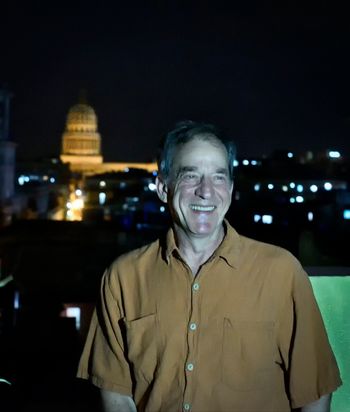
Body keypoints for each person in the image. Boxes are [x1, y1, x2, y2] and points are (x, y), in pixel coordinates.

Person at [77, 121, 342, 412]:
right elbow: (116, 396)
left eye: (218, 177)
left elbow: (315, 393)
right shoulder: (123, 278)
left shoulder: (281, 272)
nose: (206, 191)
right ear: (163, 187)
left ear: (229, 188)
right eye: (191, 176)